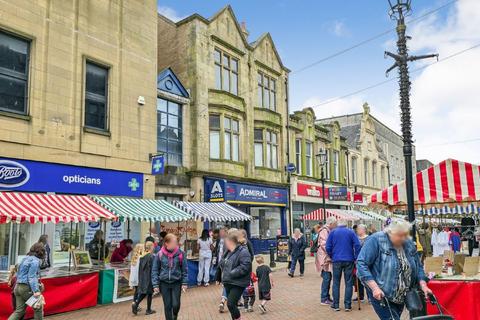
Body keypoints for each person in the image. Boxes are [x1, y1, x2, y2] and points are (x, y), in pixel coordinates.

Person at [357, 219, 432, 320]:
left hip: (402, 295)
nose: (403, 238)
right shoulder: (376, 240)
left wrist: (423, 285)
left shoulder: (408, 243)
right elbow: (361, 264)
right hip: (382, 294)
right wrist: (375, 288)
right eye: (399, 235)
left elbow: (418, 266)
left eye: (405, 235)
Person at [326, 220, 361, 312]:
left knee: (336, 283)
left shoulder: (333, 232)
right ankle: (347, 305)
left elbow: (328, 246)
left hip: (336, 259)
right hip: (349, 259)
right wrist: (356, 256)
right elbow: (357, 245)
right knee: (348, 282)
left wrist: (331, 255)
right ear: (346, 224)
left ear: (338, 224)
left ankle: (336, 305)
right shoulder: (351, 232)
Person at [152, 234, 188, 320]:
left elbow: (184, 270)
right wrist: (155, 284)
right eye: (174, 242)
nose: (176, 244)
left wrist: (184, 282)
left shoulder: (181, 254)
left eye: (176, 242)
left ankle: (175, 315)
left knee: (176, 305)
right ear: (167, 243)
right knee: (167, 305)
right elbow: (155, 270)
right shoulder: (159, 254)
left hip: (176, 282)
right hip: (164, 283)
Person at [219, 230, 252, 320]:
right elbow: (222, 263)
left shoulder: (243, 251)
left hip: (238, 282)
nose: (225, 243)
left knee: (231, 303)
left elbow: (245, 266)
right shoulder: (228, 251)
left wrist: (232, 272)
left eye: (226, 241)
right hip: (228, 281)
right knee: (231, 305)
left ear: (231, 241)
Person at [8, 243, 45, 320]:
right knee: (38, 307)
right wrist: (36, 291)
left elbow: (18, 272)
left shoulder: (25, 258)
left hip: (17, 287)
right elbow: (31, 277)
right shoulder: (35, 261)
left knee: (19, 311)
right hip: (26, 288)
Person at [316, 217, 337, 306]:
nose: (336, 225)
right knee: (326, 278)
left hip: (326, 258)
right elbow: (324, 244)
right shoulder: (324, 231)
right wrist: (332, 252)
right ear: (331, 224)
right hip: (325, 259)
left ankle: (326, 297)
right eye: (335, 224)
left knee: (328, 278)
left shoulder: (328, 230)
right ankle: (324, 298)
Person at [133, 241, 156, 315]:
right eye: (153, 246)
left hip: (143, 277)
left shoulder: (142, 256)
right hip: (149, 277)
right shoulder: (151, 256)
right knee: (149, 293)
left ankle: (138, 304)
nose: (154, 248)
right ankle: (146, 309)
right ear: (151, 247)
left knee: (146, 293)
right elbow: (153, 269)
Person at [353, 224, 369, 303]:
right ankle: (360, 296)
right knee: (358, 279)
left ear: (363, 230)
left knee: (367, 278)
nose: (357, 230)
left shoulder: (368, 238)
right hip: (357, 261)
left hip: (366, 261)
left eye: (359, 229)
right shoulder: (356, 238)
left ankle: (370, 297)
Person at [129, 243, 144, 311]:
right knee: (139, 292)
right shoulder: (140, 257)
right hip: (138, 277)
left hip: (133, 278)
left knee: (136, 291)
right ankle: (135, 304)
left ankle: (134, 303)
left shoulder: (134, 257)